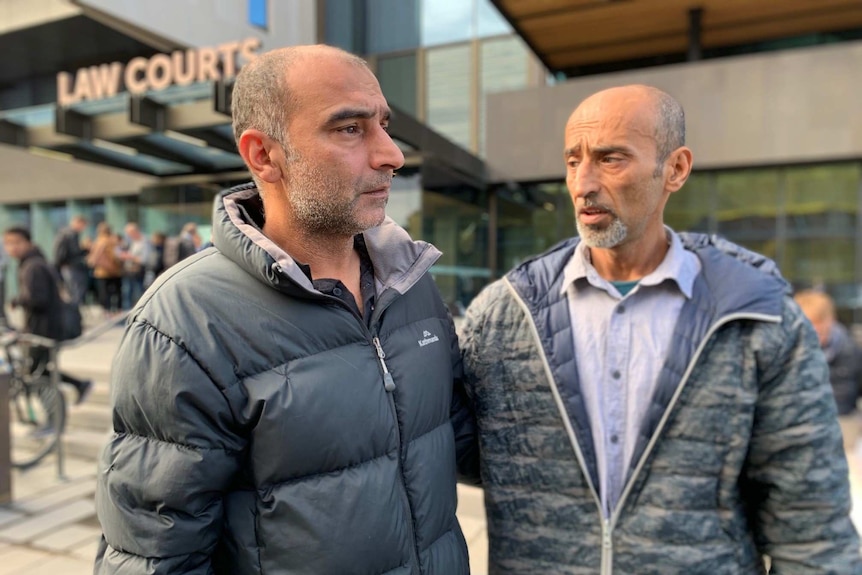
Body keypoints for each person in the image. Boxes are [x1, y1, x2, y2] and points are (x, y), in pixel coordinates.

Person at [94, 44, 475, 575]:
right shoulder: (184, 323)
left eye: (384, 125)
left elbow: (461, 440)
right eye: (350, 129)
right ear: (263, 155)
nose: (391, 154)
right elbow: (155, 556)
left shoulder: (410, 284)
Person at [459, 84, 860, 573]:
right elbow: (434, 450)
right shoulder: (503, 314)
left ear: (676, 169)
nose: (582, 184)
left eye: (610, 159)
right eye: (572, 161)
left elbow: (811, 526)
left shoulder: (757, 315)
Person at [3, 226, 92, 403]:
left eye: (16, 242)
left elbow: (38, 299)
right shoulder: (35, 262)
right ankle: (76, 388)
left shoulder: (32, 266)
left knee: (35, 373)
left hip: (43, 329)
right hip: (46, 327)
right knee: (39, 371)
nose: (12, 247)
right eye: (8, 243)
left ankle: (53, 416)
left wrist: (18, 300)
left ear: (28, 242)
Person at [795, 289, 862, 450]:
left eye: (819, 325)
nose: (815, 333)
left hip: (843, 423)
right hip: (800, 424)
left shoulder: (851, 350)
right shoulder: (787, 352)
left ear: (831, 320)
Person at [52, 214, 90, 306]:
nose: (83, 229)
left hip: (64, 266)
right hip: (72, 266)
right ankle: (74, 315)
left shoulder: (63, 233)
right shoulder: (71, 234)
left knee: (71, 292)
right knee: (77, 292)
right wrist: (86, 249)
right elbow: (75, 251)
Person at [86, 222, 122, 313]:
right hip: (115, 270)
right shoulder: (113, 240)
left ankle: (107, 311)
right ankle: (118, 310)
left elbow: (94, 256)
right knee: (117, 292)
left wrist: (91, 262)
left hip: (102, 271)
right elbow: (118, 255)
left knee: (104, 293)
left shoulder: (99, 241)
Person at [119, 222, 151, 309]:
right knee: (127, 293)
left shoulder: (144, 242)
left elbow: (144, 259)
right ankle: (127, 314)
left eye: (129, 233)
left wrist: (130, 257)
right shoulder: (131, 242)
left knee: (139, 294)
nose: (129, 235)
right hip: (129, 271)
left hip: (139, 272)